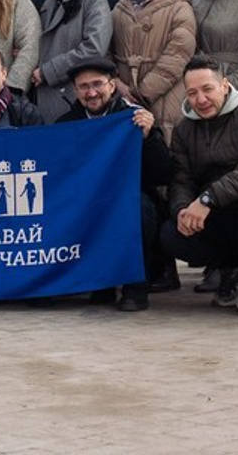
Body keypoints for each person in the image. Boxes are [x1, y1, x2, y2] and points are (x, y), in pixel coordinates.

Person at [161, 55, 238, 318]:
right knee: (170, 233)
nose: (201, 100)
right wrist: (183, 209)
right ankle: (228, 269)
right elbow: (181, 179)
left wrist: (207, 199)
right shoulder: (184, 130)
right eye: (192, 93)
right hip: (213, 214)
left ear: (225, 85)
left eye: (207, 89)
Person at [57, 56, 173, 311]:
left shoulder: (134, 119)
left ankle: (136, 287)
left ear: (112, 85)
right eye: (84, 87)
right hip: (85, 200)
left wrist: (148, 138)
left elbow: (164, 173)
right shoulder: (65, 126)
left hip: (130, 196)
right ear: (76, 91)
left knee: (140, 210)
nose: (91, 92)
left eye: (97, 84)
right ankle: (99, 282)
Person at [111, 0, 198, 142]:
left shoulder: (177, 2)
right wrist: (119, 86)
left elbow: (180, 51)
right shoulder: (120, 7)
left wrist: (142, 93)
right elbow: (107, 51)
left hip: (167, 96)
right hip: (126, 99)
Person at [30, 0, 113, 121]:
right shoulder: (49, 3)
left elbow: (94, 48)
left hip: (76, 97)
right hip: (47, 98)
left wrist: (48, 71)